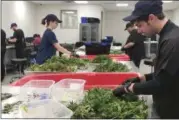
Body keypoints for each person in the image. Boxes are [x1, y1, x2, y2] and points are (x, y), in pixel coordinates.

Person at [113, 0, 179, 119]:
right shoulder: (167, 36)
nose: (138, 31)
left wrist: (129, 88)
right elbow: (166, 74)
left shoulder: (173, 41)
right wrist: (141, 78)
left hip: (171, 112)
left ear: (151, 18)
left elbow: (161, 84)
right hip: (163, 106)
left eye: (139, 25)